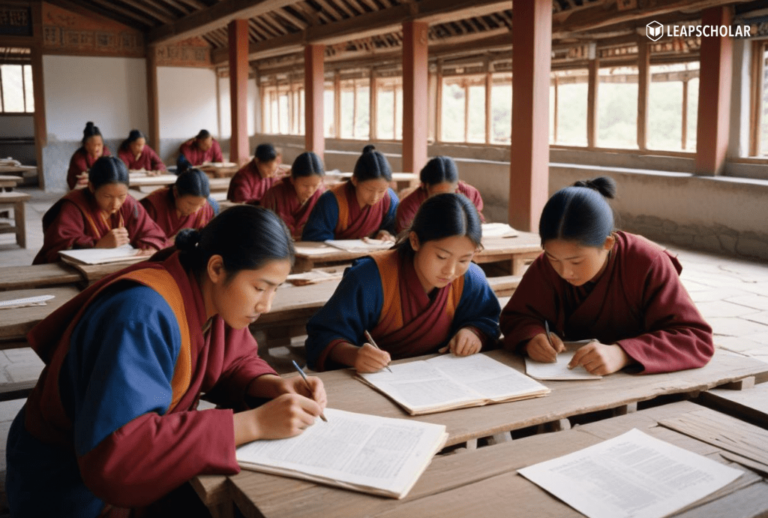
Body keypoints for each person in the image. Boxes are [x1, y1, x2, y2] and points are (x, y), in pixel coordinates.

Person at [9, 205, 328, 517]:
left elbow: (232, 361)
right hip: (66, 479)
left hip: (135, 468)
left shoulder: (207, 293)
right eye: (260, 288)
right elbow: (118, 456)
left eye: (275, 290)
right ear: (217, 268)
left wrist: (272, 384)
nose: (267, 305)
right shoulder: (140, 314)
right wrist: (254, 423)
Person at [500, 177, 714, 376]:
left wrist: (623, 354)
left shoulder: (647, 261)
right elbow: (516, 318)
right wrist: (532, 337)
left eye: (576, 261)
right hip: (572, 377)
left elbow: (694, 338)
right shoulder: (547, 265)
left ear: (607, 243)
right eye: (554, 259)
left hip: (638, 382)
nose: (565, 272)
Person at [305, 193, 500, 372]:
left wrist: (474, 333)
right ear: (415, 241)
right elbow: (322, 337)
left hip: (443, 379)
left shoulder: (470, 279)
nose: (450, 271)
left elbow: (489, 320)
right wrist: (353, 355)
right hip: (376, 379)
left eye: (464, 260)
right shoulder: (371, 278)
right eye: (441, 256)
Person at [33, 157, 166, 265]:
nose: (115, 204)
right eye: (107, 196)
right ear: (91, 187)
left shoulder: (129, 203)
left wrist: (150, 247)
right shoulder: (74, 206)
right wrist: (97, 245)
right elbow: (55, 250)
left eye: (121, 196)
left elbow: (152, 233)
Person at [301, 145, 399, 242]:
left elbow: (394, 229)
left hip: (373, 255)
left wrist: (385, 234)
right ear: (354, 180)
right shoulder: (332, 200)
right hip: (336, 256)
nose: (375, 197)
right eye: (369, 190)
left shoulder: (390, 200)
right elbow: (314, 237)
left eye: (381, 191)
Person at [395, 156, 485, 232]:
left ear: (457, 185)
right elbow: (406, 238)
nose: (444, 200)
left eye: (449, 194)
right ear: (425, 186)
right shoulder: (409, 207)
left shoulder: (469, 194)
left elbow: (477, 224)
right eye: (437, 195)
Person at [140, 169, 215, 247]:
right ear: (175, 193)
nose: (195, 210)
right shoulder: (152, 206)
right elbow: (141, 240)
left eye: (201, 205)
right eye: (190, 203)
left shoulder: (206, 209)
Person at [262, 151, 325, 239]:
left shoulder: (320, 196)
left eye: (315, 185)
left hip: (310, 248)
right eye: (305, 185)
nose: (310, 191)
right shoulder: (274, 195)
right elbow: (263, 228)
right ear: (292, 179)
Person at [67, 122, 111, 190]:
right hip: (81, 188)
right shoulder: (78, 158)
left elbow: (111, 170)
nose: (97, 149)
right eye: (94, 145)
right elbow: (83, 178)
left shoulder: (105, 151)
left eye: (99, 145)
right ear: (86, 145)